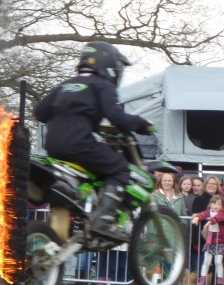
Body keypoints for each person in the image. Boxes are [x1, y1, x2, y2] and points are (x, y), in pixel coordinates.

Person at [32, 41, 152, 241]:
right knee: (120, 168)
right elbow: (117, 117)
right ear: (109, 64)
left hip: (52, 146)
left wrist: (67, 113)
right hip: (79, 143)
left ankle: (60, 236)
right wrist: (140, 124)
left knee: (90, 175)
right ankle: (103, 220)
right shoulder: (102, 85)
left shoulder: (66, 84)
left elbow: (39, 112)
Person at [191, 195, 224, 285]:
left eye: (218, 204)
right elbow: (203, 214)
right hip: (209, 242)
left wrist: (209, 222)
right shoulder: (208, 212)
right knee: (206, 262)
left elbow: (219, 218)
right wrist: (197, 217)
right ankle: (202, 279)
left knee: (218, 262)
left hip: (220, 242)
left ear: (222, 206)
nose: (216, 206)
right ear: (210, 204)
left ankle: (220, 279)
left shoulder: (223, 213)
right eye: (214, 203)